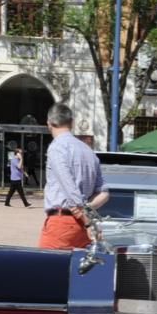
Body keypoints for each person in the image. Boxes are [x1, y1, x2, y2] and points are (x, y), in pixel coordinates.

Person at [38, 103, 109, 249]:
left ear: (49, 123)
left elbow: (70, 189)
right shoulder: (88, 151)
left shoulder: (57, 148)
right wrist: (87, 211)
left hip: (62, 222)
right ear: (72, 123)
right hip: (81, 227)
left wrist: (86, 219)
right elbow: (104, 193)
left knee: (45, 268)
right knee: (78, 270)